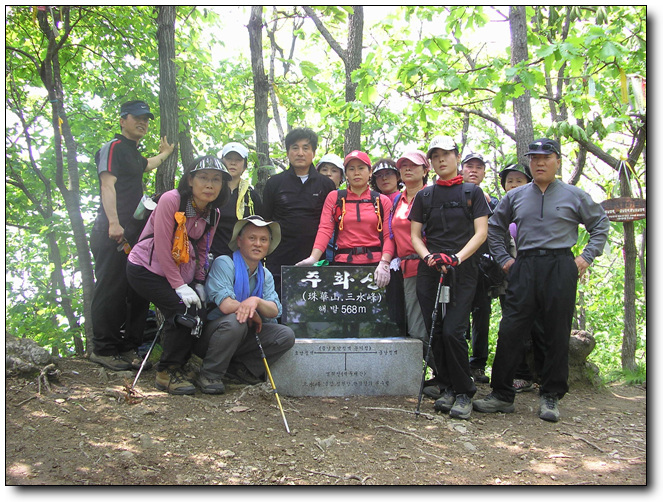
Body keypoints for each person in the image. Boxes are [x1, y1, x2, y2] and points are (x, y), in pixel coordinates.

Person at [473, 138, 609, 422]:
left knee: (556, 331)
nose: (540, 163)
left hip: (561, 264)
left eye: (546, 157)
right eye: (534, 158)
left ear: (557, 161)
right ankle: (501, 394)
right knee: (511, 329)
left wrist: (585, 258)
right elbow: (495, 228)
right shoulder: (516, 195)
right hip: (524, 265)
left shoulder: (574, 195)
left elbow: (599, 225)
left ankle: (550, 395)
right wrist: (505, 260)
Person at [126, 156, 231, 395]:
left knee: (198, 310)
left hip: (178, 274)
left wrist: (199, 282)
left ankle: (182, 364)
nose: (210, 185)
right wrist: (179, 287)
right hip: (145, 268)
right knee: (182, 309)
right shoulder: (172, 200)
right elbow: (163, 244)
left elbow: (204, 249)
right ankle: (166, 373)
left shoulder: (213, 212)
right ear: (190, 179)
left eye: (216, 179)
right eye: (203, 178)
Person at [409, 135, 491, 420]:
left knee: (453, 330)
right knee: (435, 329)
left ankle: (464, 392)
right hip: (430, 269)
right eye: (435, 156)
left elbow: (481, 233)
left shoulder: (472, 193)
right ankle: (446, 385)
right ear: (430, 163)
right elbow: (415, 236)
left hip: (463, 268)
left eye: (446, 154)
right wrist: (428, 257)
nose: (441, 159)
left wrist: (456, 258)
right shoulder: (425, 195)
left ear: (457, 157)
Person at [89, 100, 174, 371]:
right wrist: (114, 223)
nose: (143, 123)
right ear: (122, 119)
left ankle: (127, 348)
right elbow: (107, 184)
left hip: (133, 234)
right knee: (111, 289)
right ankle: (104, 349)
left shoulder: (132, 153)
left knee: (135, 290)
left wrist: (166, 154)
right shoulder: (112, 148)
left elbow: (146, 165)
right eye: (137, 118)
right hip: (113, 231)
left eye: (146, 119)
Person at [192, 216, 295, 394]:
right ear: (239, 241)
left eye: (263, 240)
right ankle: (209, 374)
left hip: (245, 335)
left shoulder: (266, 274)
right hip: (213, 335)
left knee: (285, 334)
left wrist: (255, 301)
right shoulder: (225, 263)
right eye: (252, 238)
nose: (258, 244)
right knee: (235, 321)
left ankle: (240, 369)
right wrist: (252, 313)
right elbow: (225, 305)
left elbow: (274, 310)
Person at [295, 150, 395, 290]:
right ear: (346, 174)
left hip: (376, 265)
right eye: (351, 169)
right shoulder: (335, 198)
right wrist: (313, 258)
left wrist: (385, 262)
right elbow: (325, 229)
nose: (356, 173)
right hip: (343, 265)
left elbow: (388, 234)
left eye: (361, 168)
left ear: (370, 171)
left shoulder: (381, 201)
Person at [262, 127, 336, 298]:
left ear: (313, 152)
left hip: (316, 258)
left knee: (315, 309)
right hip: (280, 260)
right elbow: (266, 221)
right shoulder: (274, 183)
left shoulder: (326, 185)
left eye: (306, 147)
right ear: (288, 152)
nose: (300, 153)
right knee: (280, 308)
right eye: (295, 148)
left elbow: (331, 223)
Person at [496, 164, 542, 393]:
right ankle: (521, 373)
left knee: (537, 326)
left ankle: (536, 375)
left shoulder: (534, 208)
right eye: (509, 181)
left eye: (519, 181)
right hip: (509, 279)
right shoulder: (502, 210)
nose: (513, 185)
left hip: (536, 275)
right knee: (514, 326)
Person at [460, 152, 499, 385]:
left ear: (484, 172)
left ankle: (478, 364)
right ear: (461, 170)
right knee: (457, 315)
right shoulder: (450, 196)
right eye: (469, 166)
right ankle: (459, 363)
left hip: (484, 266)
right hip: (456, 264)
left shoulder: (493, 201)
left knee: (482, 314)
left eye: (479, 167)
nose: (473, 170)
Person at [389, 150, 431, 352]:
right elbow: (391, 235)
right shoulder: (397, 200)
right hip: (404, 270)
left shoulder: (432, 196)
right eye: (403, 165)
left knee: (424, 326)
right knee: (412, 326)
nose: (407, 168)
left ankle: (444, 375)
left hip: (428, 268)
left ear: (425, 170)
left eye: (413, 165)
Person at [210, 142, 264, 259]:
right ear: (221, 161)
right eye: (228, 158)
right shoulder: (211, 191)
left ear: (244, 166)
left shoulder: (251, 197)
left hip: (242, 258)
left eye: (238, 160)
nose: (233, 163)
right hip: (211, 256)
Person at [371, 158, 405, 331]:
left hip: (405, 260)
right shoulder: (371, 200)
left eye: (389, 174)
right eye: (379, 175)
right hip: (377, 260)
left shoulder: (408, 197)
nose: (384, 178)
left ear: (398, 176)